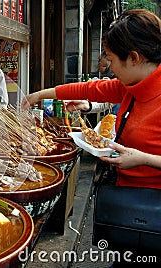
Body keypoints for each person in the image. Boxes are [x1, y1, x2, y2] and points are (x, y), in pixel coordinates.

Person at [22, 9, 161, 191]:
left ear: (134, 58)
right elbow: (88, 89)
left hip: (150, 201)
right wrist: (39, 95)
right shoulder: (130, 85)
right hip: (120, 188)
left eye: (111, 60)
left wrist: (143, 159)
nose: (110, 68)